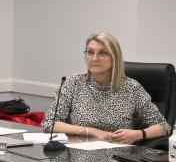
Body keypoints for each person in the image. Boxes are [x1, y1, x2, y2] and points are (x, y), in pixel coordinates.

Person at [41, 32, 171, 144]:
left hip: (116, 159)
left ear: (115, 58)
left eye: (103, 53)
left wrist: (139, 134)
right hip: (78, 154)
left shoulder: (131, 88)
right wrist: (93, 132)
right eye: (90, 52)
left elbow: (163, 126)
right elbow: (49, 123)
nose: (94, 58)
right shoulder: (74, 82)